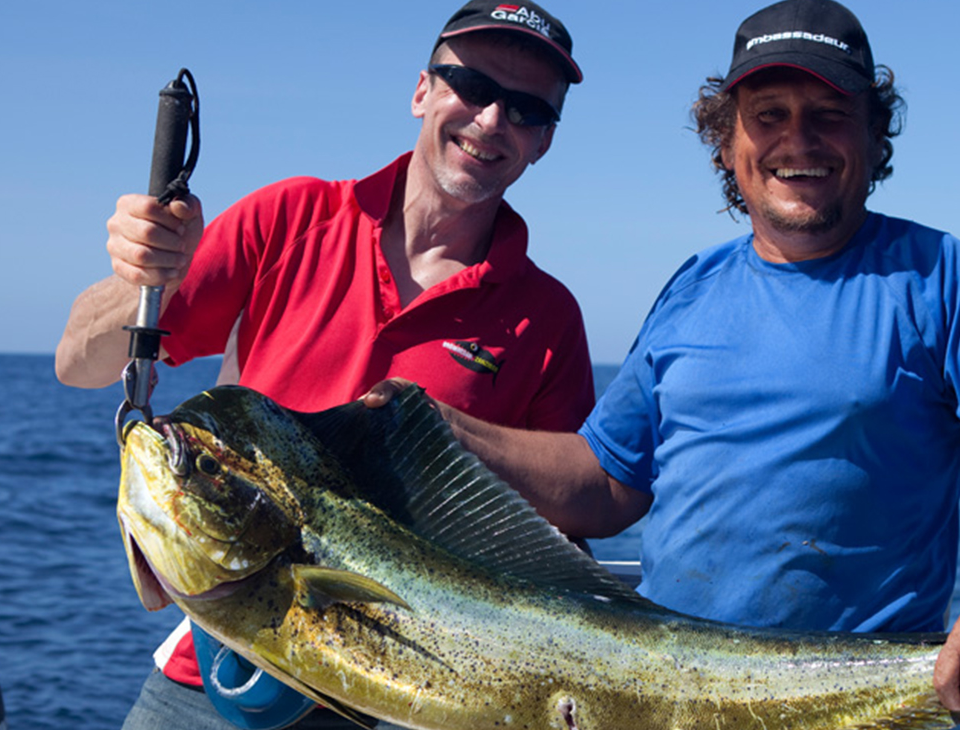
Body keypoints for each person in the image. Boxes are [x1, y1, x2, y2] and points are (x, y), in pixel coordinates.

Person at [367, 2, 960, 729]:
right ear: (728, 145)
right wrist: (436, 424)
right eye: (768, 117)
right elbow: (607, 484)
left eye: (829, 115)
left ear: (873, 137)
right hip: (655, 696)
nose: (797, 141)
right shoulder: (693, 288)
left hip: (847, 705)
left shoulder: (939, 277)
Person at [55, 2, 594, 728]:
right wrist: (141, 278)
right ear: (422, 92)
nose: (493, 119)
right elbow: (78, 364)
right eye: (470, 85)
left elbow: (575, 516)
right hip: (225, 669)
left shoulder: (548, 314)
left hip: (409, 691)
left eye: (527, 109)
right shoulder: (289, 217)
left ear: (545, 143)